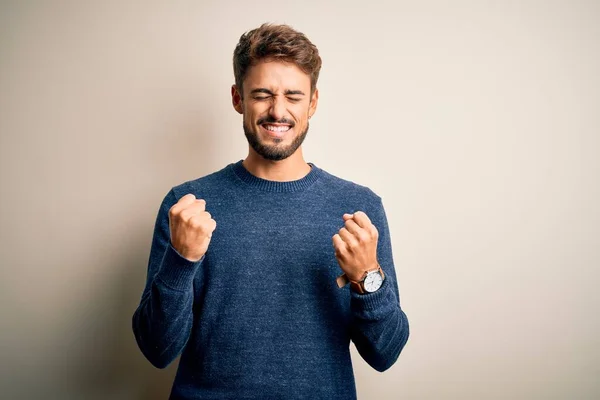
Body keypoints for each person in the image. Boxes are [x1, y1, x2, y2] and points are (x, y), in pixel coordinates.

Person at [132, 22, 409, 399]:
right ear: (237, 98)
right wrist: (181, 261)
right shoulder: (187, 206)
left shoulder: (358, 209)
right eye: (262, 94)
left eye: (293, 96)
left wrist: (367, 277)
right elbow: (157, 349)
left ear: (312, 103)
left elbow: (385, 353)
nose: (278, 111)